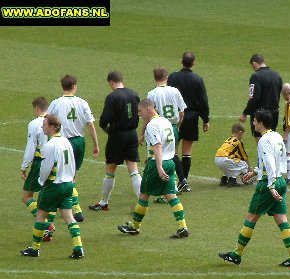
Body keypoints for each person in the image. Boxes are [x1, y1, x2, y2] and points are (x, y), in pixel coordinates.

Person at [219, 109, 290, 267]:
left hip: (269, 183)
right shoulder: (276, 136)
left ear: (260, 123)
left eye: (254, 120)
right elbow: (276, 161)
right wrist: (254, 172)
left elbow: (269, 162)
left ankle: (237, 254)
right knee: (281, 219)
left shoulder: (263, 140)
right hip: (281, 181)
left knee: (251, 218)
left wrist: (270, 185)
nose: (253, 123)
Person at [117, 99, 189, 238]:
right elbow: (168, 143)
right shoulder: (166, 122)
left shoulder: (152, 125)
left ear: (149, 108)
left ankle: (135, 227)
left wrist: (159, 166)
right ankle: (182, 227)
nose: (139, 114)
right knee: (171, 196)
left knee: (144, 194)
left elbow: (157, 146)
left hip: (158, 164)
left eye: (140, 111)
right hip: (170, 161)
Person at [20, 114, 84, 259]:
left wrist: (42, 182)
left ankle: (35, 249)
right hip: (68, 185)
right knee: (69, 217)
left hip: (53, 185)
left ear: (52, 127)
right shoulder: (66, 142)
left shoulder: (49, 145)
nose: (42, 126)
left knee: (41, 216)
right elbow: (72, 164)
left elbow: (46, 168)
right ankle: (78, 247)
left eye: (45, 124)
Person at [48, 74, 99, 222]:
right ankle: (72, 206)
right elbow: (90, 124)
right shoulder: (82, 103)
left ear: (62, 86)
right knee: (73, 175)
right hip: (79, 142)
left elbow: (48, 123)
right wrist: (96, 144)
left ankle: (73, 207)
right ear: (74, 86)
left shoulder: (56, 103)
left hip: (62, 142)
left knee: (60, 175)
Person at [89, 71, 142, 211]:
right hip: (132, 135)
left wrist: (108, 130)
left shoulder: (112, 97)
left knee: (110, 169)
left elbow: (104, 120)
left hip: (117, 136)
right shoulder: (134, 94)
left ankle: (104, 202)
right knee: (134, 171)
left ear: (111, 82)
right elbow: (138, 114)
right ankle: (142, 203)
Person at [167, 51, 210, 192]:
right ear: (194, 63)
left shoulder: (172, 77)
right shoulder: (197, 79)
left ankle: (181, 180)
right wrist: (205, 119)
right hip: (191, 117)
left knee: (173, 150)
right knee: (187, 151)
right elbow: (203, 101)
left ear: (181, 61)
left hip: (176, 116)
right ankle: (183, 180)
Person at [147, 66, 187, 201]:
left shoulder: (152, 94)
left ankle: (171, 188)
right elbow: (182, 112)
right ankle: (178, 183)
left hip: (159, 127)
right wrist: (178, 126)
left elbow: (150, 113)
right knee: (172, 155)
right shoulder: (175, 91)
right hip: (173, 127)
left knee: (161, 156)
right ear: (167, 77)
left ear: (154, 78)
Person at [20, 97, 55, 241]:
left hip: (40, 162)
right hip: (55, 162)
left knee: (26, 196)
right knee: (50, 197)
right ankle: (48, 233)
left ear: (36, 108)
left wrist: (24, 166)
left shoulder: (34, 123)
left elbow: (31, 147)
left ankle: (46, 226)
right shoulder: (55, 121)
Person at [239, 54, 282, 141]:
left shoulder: (256, 76)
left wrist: (245, 113)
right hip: (274, 113)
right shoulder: (277, 75)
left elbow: (254, 97)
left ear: (254, 64)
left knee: (262, 144)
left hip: (260, 114)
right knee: (271, 141)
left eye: (252, 66)